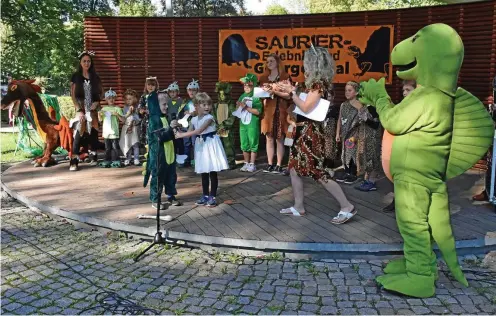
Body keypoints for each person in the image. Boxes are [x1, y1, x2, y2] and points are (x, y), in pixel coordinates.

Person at [276, 46, 355, 224]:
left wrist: (292, 93)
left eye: (306, 61)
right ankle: (298, 206)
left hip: (310, 134)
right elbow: (300, 99)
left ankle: (346, 206)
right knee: (294, 169)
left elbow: (305, 107)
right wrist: (283, 90)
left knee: (317, 172)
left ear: (313, 63)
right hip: (303, 131)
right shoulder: (315, 84)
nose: (304, 65)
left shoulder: (318, 85)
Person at [175, 92, 229, 207]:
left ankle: (212, 196)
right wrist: (178, 129)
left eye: (208, 104)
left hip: (211, 145)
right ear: (196, 106)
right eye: (203, 105)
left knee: (212, 171)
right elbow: (189, 132)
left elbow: (199, 131)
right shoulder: (194, 119)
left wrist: (181, 135)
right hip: (201, 146)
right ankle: (205, 195)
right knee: (204, 171)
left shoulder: (210, 118)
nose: (207, 107)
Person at [382, 79, 417, 212]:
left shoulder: (419, 106)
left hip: (414, 145)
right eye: (403, 90)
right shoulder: (403, 105)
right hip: (400, 144)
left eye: (408, 90)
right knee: (399, 175)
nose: (404, 93)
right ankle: (397, 201)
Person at [143, 89, 181, 209]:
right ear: (156, 105)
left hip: (169, 153)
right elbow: (160, 137)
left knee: (171, 175)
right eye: (164, 104)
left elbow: (171, 135)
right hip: (159, 154)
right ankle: (155, 199)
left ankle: (171, 195)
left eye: (167, 104)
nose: (166, 106)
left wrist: (176, 128)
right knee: (158, 177)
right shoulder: (154, 120)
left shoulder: (166, 117)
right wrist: (170, 128)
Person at [69, 51, 103, 171]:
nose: (87, 63)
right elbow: (72, 95)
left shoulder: (95, 77)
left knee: (94, 128)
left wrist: (97, 102)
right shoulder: (76, 76)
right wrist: (79, 110)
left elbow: (100, 93)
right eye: (84, 61)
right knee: (80, 129)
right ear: (80, 62)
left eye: (89, 61)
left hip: (92, 107)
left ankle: (93, 155)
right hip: (81, 107)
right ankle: (73, 159)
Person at [259, 54, 292, 175]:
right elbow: (258, 95)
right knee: (269, 138)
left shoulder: (285, 77)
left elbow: (289, 95)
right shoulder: (263, 78)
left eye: (272, 61)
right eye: (267, 62)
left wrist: (274, 91)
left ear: (278, 62)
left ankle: (278, 164)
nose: (269, 63)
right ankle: (269, 163)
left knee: (279, 137)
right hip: (268, 110)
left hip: (281, 109)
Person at [236, 73, 263, 172]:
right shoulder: (242, 96)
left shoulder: (256, 96)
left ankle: (252, 164)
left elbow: (258, 111)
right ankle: (246, 163)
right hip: (243, 124)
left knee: (253, 143)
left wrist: (246, 107)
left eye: (249, 85)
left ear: (254, 85)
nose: (246, 87)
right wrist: (238, 106)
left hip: (252, 124)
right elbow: (237, 109)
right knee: (244, 144)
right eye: (245, 85)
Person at [98, 88, 124, 168]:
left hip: (114, 131)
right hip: (106, 132)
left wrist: (117, 115)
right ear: (106, 99)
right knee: (107, 148)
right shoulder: (104, 109)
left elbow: (123, 120)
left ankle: (116, 159)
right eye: (109, 98)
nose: (111, 100)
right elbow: (100, 120)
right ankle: (107, 160)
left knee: (115, 147)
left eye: (113, 98)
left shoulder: (118, 109)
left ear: (115, 98)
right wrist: (99, 114)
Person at [213, 81, 237, 169]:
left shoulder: (231, 105)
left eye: (224, 94)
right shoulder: (216, 105)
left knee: (228, 145)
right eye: (220, 94)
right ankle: (220, 162)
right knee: (219, 145)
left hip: (227, 129)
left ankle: (230, 162)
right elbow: (213, 116)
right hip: (218, 128)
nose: (222, 96)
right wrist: (216, 125)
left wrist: (224, 124)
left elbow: (233, 116)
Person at [120, 89, 141, 166]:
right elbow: (124, 117)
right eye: (127, 99)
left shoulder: (137, 107)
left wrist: (135, 118)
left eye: (130, 99)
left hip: (134, 127)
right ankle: (128, 158)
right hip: (127, 127)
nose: (128, 101)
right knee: (127, 143)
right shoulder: (125, 108)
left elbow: (138, 117)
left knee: (135, 143)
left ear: (134, 99)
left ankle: (136, 158)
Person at [138, 76, 160, 147]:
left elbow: (161, 107)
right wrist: (141, 110)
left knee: (155, 138)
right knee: (147, 139)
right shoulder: (143, 96)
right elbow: (140, 107)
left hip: (156, 120)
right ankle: (148, 154)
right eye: (149, 85)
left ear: (156, 86)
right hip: (146, 120)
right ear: (146, 86)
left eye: (153, 85)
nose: (150, 87)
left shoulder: (158, 96)